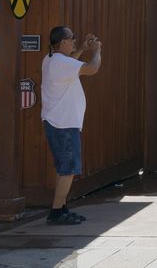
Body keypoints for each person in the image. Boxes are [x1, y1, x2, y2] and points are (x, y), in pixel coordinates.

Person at [41, 26, 102, 225]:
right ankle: (56, 212)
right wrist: (97, 51)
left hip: (60, 123)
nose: (74, 40)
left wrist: (83, 48)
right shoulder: (60, 63)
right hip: (63, 125)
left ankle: (62, 208)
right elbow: (92, 69)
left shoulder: (52, 59)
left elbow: (71, 62)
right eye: (72, 38)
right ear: (62, 42)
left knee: (65, 169)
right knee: (68, 170)